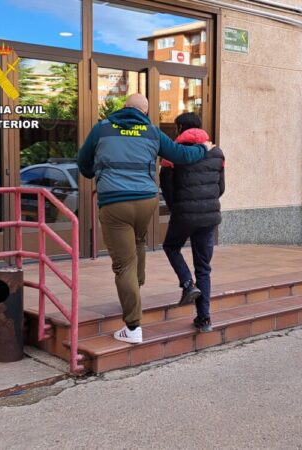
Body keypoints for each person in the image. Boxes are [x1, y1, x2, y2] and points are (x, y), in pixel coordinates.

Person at [77, 94, 210, 344]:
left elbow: (83, 164)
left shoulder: (102, 128)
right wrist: (203, 147)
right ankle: (135, 287)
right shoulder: (151, 131)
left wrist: (95, 170)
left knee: (123, 264)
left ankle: (133, 327)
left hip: (115, 202)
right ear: (145, 113)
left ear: (124, 108)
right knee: (137, 242)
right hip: (146, 201)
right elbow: (181, 154)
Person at [160, 113, 225, 332]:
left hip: (184, 215)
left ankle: (187, 284)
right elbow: (221, 188)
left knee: (171, 247)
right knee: (204, 268)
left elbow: (167, 188)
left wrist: (177, 208)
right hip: (209, 217)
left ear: (180, 127)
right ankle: (204, 319)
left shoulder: (173, 154)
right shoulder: (217, 152)